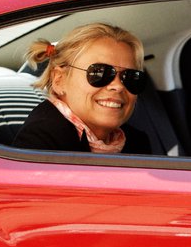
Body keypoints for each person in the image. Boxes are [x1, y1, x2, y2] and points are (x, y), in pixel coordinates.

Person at [13, 23, 151, 154]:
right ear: (59, 79)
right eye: (99, 73)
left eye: (131, 77)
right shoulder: (38, 144)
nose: (118, 86)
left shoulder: (137, 142)